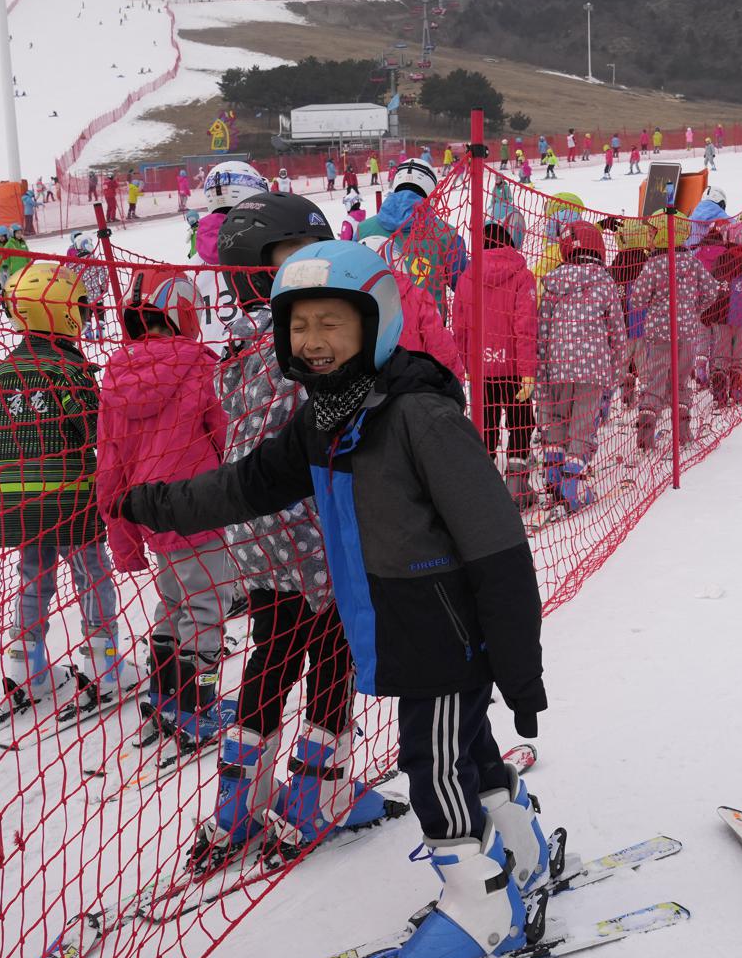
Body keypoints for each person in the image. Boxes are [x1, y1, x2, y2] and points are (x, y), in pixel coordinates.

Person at [118, 240, 549, 958]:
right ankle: (519, 848)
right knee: (468, 746)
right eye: (300, 326)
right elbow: (246, 485)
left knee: (432, 761)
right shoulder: (325, 420)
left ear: (374, 323)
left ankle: (482, 906)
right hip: (400, 626)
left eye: (332, 324)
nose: (313, 342)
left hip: (443, 629)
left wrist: (519, 663)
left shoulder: (417, 415)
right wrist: (153, 500)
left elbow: (497, 542)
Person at [184, 194, 385, 861]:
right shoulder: (298, 339)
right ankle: (314, 797)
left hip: (258, 529)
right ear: (257, 271)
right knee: (334, 650)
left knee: (274, 652)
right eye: (297, 258)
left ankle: (238, 804)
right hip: (313, 524)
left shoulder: (236, 346)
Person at [96, 269, 240, 747]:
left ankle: (165, 694)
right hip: (199, 507)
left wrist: (124, 535)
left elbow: (109, 461)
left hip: (150, 512)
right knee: (207, 605)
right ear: (183, 312)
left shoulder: (116, 374)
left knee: (174, 600)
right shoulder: (199, 366)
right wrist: (242, 490)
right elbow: (226, 435)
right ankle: (197, 707)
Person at [0, 263, 124, 728]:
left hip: (19, 501)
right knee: (92, 576)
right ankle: (103, 665)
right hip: (72, 498)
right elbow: (92, 431)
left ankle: (25, 670)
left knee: (32, 580)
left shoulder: (4, 372)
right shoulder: (69, 369)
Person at [535, 222, 625, 512]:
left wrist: (542, 371)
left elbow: (542, 329)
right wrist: (616, 369)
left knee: (558, 420)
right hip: (594, 369)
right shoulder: (604, 281)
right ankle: (572, 486)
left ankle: (553, 474)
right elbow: (617, 332)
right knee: (583, 427)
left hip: (558, 366)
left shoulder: (552, 282)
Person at [454, 219, 540, 506]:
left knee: (485, 426)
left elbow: (460, 327)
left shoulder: (467, 276)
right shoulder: (522, 275)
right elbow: (525, 327)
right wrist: (528, 372)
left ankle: (485, 489)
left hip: (481, 369)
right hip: (513, 369)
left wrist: (466, 365)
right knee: (521, 423)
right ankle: (517, 487)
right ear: (509, 243)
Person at [627, 212, 720, 451]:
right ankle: (683, 431)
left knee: (655, 380)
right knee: (680, 383)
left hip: (659, 333)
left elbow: (636, 299)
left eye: (651, 233)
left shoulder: (653, 264)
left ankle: (647, 427)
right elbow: (711, 290)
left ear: (662, 234)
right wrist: (693, 310)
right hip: (686, 332)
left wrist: (653, 304)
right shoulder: (691, 261)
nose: (648, 237)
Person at [355, 159, 466, 322]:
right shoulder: (447, 235)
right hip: (429, 334)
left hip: (376, 331)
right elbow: (465, 287)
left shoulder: (363, 230)